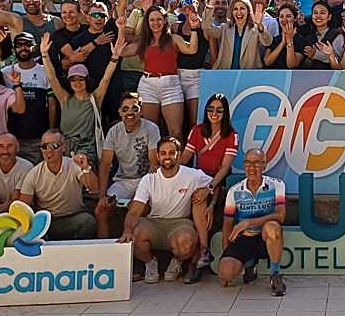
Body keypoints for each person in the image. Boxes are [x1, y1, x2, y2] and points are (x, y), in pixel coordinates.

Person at [119, 137, 213, 284]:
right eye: (163, 153)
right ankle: (150, 263)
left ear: (179, 155)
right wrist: (127, 229)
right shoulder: (149, 179)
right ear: (157, 156)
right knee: (133, 236)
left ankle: (177, 262)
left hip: (180, 223)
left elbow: (215, 183)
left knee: (187, 242)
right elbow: (135, 211)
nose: (167, 156)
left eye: (171, 152)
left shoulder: (193, 175)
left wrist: (211, 202)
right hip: (153, 222)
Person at [40, 30, 125, 165]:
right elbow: (52, 77)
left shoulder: (95, 98)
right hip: (64, 148)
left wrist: (114, 58)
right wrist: (44, 54)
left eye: (81, 79)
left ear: (87, 81)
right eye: (73, 79)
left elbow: (106, 79)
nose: (77, 82)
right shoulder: (64, 99)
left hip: (87, 148)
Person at [181, 94, 239, 273]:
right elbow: (184, 159)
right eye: (211, 109)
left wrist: (210, 190)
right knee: (198, 196)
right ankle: (204, 250)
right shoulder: (197, 130)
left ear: (225, 113)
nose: (214, 113)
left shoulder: (231, 135)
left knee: (200, 198)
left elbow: (224, 168)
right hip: (197, 178)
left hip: (217, 181)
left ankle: (203, 251)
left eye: (219, 110)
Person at [219, 148, 287, 296]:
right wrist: (226, 253)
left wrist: (249, 222)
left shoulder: (277, 185)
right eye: (248, 163)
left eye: (257, 163)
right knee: (226, 273)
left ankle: (275, 274)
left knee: (272, 227)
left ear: (264, 165)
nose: (252, 168)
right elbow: (227, 226)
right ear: (244, 166)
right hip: (245, 239)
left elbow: (281, 216)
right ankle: (250, 265)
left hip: (265, 237)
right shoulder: (234, 191)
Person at [126, 5, 199, 139]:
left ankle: (178, 160)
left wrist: (194, 29)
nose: (155, 23)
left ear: (165, 20)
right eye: (152, 20)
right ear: (147, 22)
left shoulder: (173, 38)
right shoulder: (144, 41)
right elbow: (122, 52)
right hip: (147, 85)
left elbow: (192, 49)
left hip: (170, 85)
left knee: (176, 133)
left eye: (159, 19)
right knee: (150, 132)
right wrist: (120, 30)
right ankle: (151, 160)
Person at [95, 92, 161, 239]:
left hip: (146, 180)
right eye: (125, 109)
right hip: (123, 181)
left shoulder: (151, 129)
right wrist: (102, 196)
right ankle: (103, 252)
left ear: (141, 110)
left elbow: (153, 164)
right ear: (119, 112)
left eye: (134, 108)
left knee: (139, 209)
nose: (130, 112)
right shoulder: (114, 132)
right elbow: (105, 165)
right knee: (101, 210)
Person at [17, 129, 100, 240]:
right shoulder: (34, 174)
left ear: (63, 147)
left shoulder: (73, 165)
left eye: (54, 146)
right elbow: (23, 206)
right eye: (45, 146)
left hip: (73, 218)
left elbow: (94, 188)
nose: (48, 151)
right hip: (47, 222)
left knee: (88, 221)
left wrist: (85, 168)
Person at [6, 32, 52, 162]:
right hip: (13, 139)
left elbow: (52, 104)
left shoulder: (45, 71)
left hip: (37, 138)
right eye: (19, 45)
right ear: (14, 49)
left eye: (27, 44)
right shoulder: (5, 73)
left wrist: (51, 131)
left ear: (35, 47)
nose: (23, 48)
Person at [205, 0, 272, 70]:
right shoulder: (225, 28)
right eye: (235, 9)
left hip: (248, 74)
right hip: (226, 73)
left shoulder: (255, 29)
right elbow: (207, 28)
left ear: (248, 11)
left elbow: (267, 42)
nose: (239, 12)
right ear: (232, 12)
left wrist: (260, 25)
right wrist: (211, 4)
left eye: (242, 8)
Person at [0, 132, 34, 220]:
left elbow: (16, 202)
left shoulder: (27, 168)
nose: (5, 151)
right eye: (0, 146)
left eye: (10, 146)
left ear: (17, 148)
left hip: (20, 213)